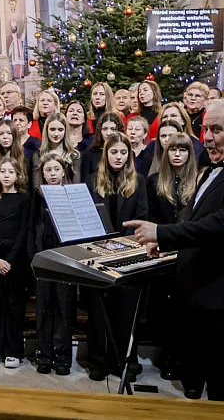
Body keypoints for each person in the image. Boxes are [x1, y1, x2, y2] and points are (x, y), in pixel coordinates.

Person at [125, 100, 224, 401]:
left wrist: (162, 232)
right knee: (193, 382)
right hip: (194, 292)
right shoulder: (208, 173)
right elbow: (192, 219)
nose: (207, 137)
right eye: (206, 129)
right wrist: (162, 241)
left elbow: (218, 224)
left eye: (217, 130)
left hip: (218, 296)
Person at [85, 132, 148, 381]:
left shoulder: (139, 181)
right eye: (114, 152)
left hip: (127, 255)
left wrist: (121, 246)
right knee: (99, 313)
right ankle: (98, 362)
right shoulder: (93, 180)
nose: (118, 157)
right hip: (98, 256)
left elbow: (142, 216)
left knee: (125, 313)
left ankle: (125, 363)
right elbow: (89, 217)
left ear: (129, 155)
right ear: (106, 154)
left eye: (123, 152)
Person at [145, 132, 197, 381]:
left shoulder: (198, 181)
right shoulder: (155, 181)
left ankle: (183, 360)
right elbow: (152, 218)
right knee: (165, 310)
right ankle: (168, 357)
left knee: (186, 311)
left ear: (189, 153)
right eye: (173, 150)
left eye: (183, 150)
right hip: (164, 252)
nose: (177, 154)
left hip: (190, 254)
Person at [0, 156, 30, 369]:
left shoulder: (24, 198)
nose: (6, 175)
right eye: (3, 172)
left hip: (15, 260)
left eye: (11, 172)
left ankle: (13, 351)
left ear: (18, 175)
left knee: (14, 305)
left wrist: (9, 260)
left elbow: (23, 231)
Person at [30, 153, 76, 375]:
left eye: (56, 169)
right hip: (43, 259)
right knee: (44, 309)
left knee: (63, 310)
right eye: (48, 170)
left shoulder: (71, 195)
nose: (52, 174)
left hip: (65, 260)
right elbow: (31, 228)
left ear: (63, 171)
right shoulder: (37, 197)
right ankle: (44, 357)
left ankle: (62, 359)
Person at [32, 112, 80, 191]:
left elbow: (76, 185)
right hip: (45, 199)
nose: (56, 134)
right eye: (52, 129)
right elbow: (37, 186)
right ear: (46, 130)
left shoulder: (74, 155)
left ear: (65, 131)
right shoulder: (38, 155)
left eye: (60, 130)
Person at [81, 112, 125, 181]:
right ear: (99, 130)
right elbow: (85, 182)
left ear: (119, 130)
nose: (108, 133)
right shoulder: (89, 154)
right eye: (104, 129)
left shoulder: (127, 153)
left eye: (113, 129)